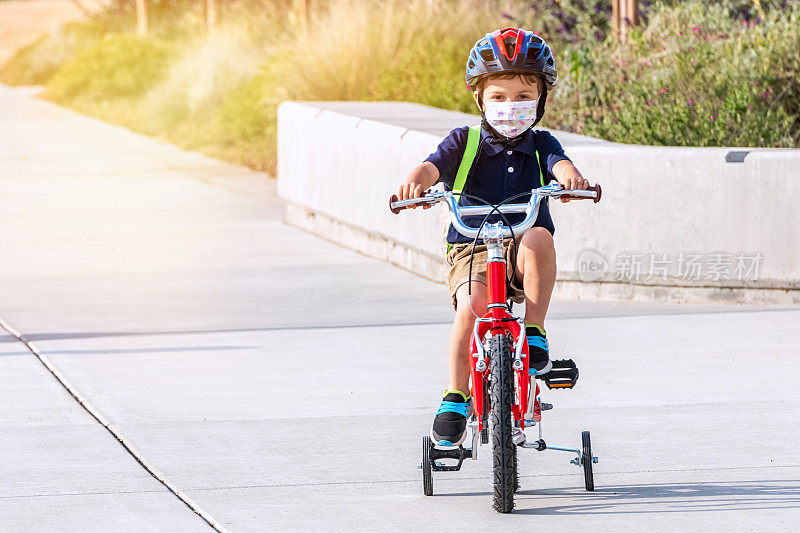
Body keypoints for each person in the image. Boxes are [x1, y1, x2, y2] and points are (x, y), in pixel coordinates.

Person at [395, 28, 590, 446]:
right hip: (472, 245)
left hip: (521, 244)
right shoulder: (463, 142)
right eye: (498, 97)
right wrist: (415, 182)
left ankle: (534, 330)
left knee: (540, 238)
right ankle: (456, 395)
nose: (511, 106)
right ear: (479, 99)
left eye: (523, 96)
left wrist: (572, 179)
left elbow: (561, 165)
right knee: (471, 308)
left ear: (541, 99)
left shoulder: (541, 143)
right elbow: (431, 168)